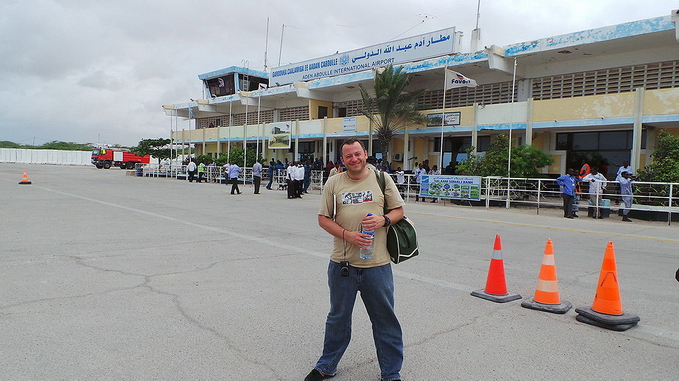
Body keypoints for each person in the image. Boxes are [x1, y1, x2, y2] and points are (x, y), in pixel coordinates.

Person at [309, 138, 405, 381]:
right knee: (338, 318)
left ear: (365, 154)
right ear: (343, 160)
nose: (354, 159)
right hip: (343, 265)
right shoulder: (334, 183)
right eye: (348, 156)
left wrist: (384, 220)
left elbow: (398, 211)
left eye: (357, 154)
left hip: (377, 266)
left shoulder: (382, 179)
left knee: (385, 319)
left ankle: (391, 372)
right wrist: (348, 235)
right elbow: (323, 218)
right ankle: (327, 365)